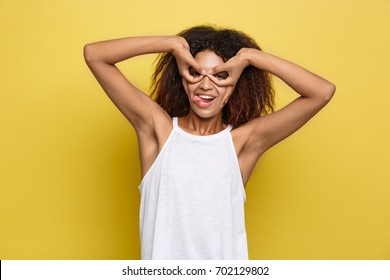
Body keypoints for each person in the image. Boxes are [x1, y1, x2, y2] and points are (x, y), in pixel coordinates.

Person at [83, 25, 335, 260]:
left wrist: (249, 57)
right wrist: (171, 44)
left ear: (236, 84)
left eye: (220, 76)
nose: (205, 85)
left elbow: (321, 91)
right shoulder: (157, 131)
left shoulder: (242, 143)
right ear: (182, 76)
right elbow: (95, 55)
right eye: (195, 73)